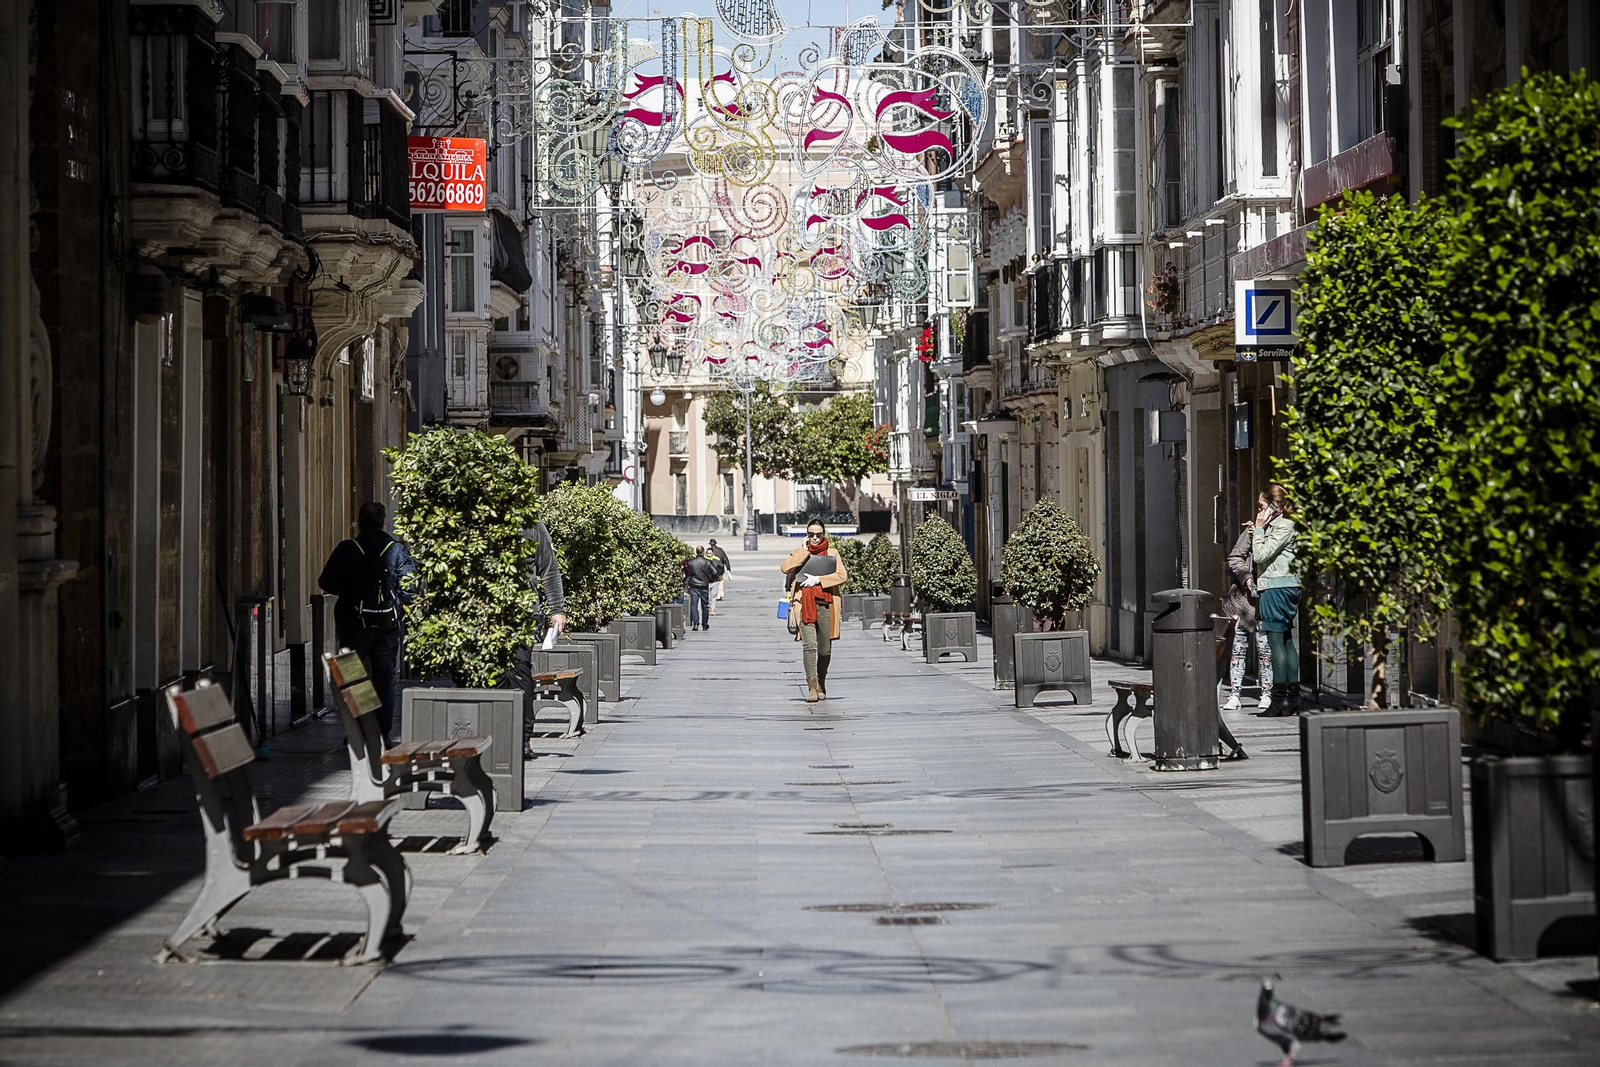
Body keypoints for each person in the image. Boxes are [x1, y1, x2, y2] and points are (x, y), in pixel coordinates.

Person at [318, 502, 418, 742]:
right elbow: (410, 588)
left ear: (359, 522)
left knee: (354, 676)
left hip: (352, 625)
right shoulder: (395, 549)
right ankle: (381, 733)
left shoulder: (347, 549)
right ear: (383, 521)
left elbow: (326, 582)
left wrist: (350, 591)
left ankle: (360, 729)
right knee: (385, 678)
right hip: (386, 625)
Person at [780, 518, 848, 703]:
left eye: (818, 534)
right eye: (811, 534)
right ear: (806, 534)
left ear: (824, 534)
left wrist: (819, 580)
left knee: (825, 650)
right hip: (805, 606)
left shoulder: (832, 553)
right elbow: (785, 568)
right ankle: (811, 687)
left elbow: (842, 575)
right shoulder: (800, 552)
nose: (815, 538)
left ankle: (821, 680)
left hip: (826, 605)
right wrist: (803, 551)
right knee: (809, 647)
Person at [1252, 484, 1301, 716]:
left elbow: (1261, 554)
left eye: (1262, 506)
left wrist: (1260, 530)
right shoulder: (1284, 525)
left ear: (1275, 505)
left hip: (1276, 587)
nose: (1259, 512)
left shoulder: (1283, 525)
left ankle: (1278, 700)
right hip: (1286, 585)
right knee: (1286, 640)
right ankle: (1293, 698)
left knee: (1275, 643)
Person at [1222, 524, 1273, 714]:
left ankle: (1267, 693)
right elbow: (1234, 558)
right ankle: (1235, 694)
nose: (1261, 512)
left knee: (1265, 651)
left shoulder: (1280, 531)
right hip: (1243, 602)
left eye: (1263, 507)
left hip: (1266, 602)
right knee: (1237, 650)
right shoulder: (1251, 531)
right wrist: (1247, 577)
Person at [686, 545, 721, 630]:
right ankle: (705, 624)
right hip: (704, 586)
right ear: (703, 552)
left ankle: (696, 623)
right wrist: (710, 579)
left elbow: (687, 573)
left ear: (696, 552)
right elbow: (715, 572)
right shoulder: (708, 562)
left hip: (694, 585)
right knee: (705, 605)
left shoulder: (691, 562)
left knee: (694, 605)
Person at [707, 537, 731, 614]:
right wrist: (728, 567)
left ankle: (716, 595)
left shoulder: (709, 552)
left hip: (711, 572)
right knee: (720, 582)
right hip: (720, 570)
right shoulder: (720, 550)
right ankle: (720, 594)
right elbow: (725, 559)